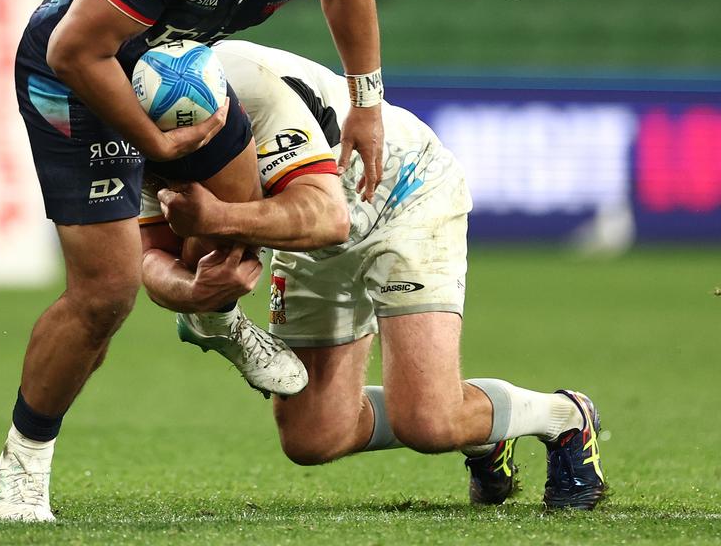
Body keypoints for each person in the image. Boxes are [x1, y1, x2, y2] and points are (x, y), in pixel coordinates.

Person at [0, 0, 386, 522]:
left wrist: (366, 101)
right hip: (74, 82)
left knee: (239, 224)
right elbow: (73, 49)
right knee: (105, 294)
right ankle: (25, 461)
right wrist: (153, 147)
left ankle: (212, 320)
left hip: (174, 73)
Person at [141, 40, 607, 511]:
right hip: (303, 229)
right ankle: (484, 429)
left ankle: (563, 417)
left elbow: (327, 217)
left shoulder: (253, 86)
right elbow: (151, 258)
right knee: (312, 436)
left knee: (428, 423)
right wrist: (192, 290)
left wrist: (213, 219)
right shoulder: (129, 126)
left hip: (401, 193)